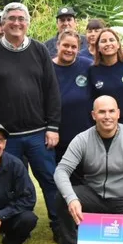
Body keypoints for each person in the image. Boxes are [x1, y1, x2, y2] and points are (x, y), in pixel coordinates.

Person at [0, 2, 62, 237]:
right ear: (2, 24)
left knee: (50, 180)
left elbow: (52, 90)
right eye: (11, 18)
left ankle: (58, 225)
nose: (16, 22)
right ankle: (12, 228)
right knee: (9, 186)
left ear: (27, 23)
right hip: (5, 138)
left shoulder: (40, 50)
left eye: (21, 18)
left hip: (38, 133)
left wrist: (53, 126)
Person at [50, 96, 123, 244]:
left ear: (119, 113)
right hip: (94, 196)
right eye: (102, 112)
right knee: (62, 197)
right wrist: (72, 199)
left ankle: (108, 232)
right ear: (93, 115)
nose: (107, 116)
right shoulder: (82, 139)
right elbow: (61, 171)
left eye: (111, 111)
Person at [88, 28, 123, 132]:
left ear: (118, 45)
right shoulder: (92, 70)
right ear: (98, 48)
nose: (108, 43)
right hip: (106, 123)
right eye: (103, 41)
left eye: (111, 40)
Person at [52, 30, 94, 162]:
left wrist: (122, 53)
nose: (69, 50)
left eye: (74, 47)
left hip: (86, 135)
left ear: (79, 49)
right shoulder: (47, 67)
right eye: (65, 45)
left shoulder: (88, 66)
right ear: (57, 45)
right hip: (57, 137)